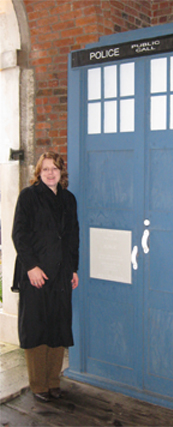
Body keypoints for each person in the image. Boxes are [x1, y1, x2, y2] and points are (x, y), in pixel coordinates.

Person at [12, 151, 79, 403]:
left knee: (58, 325)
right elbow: (19, 234)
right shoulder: (29, 197)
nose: (50, 173)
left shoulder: (69, 200)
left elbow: (73, 236)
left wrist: (74, 268)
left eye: (54, 169)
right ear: (38, 173)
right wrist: (31, 267)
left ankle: (53, 382)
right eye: (45, 169)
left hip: (62, 273)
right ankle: (38, 384)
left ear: (61, 172)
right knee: (37, 327)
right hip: (36, 274)